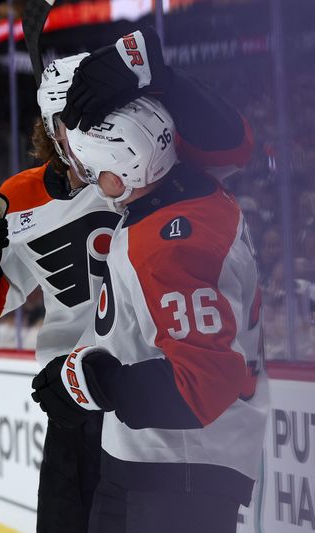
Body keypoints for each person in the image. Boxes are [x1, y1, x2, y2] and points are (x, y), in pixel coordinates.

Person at [0, 28, 254, 533]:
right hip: (77, 403)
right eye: (72, 123)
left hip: (154, 390)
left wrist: (164, 78)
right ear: (50, 128)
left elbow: (234, 144)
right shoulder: (20, 197)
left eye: (103, 116)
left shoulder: (147, 163)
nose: (90, 132)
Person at [30, 94, 268, 533]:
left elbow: (203, 382)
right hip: (143, 457)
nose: (89, 178)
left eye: (94, 167)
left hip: (180, 471)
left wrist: (100, 384)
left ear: (124, 169)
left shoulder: (169, 242)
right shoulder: (176, 202)